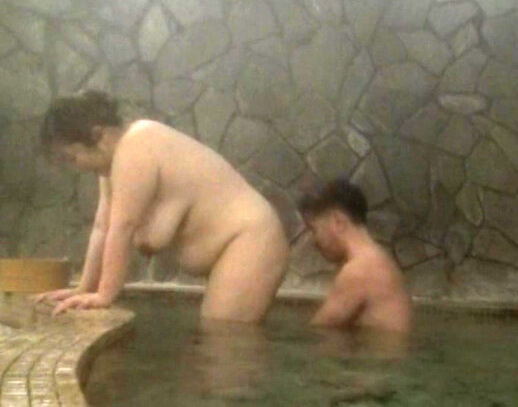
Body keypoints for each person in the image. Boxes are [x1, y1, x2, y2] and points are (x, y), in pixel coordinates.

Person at [34, 90, 289, 322]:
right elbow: (103, 227)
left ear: (98, 136)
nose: (76, 167)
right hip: (238, 244)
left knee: (223, 336)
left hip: (251, 238)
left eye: (72, 157)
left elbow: (123, 227)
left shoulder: (136, 145)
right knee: (215, 333)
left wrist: (105, 294)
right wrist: (84, 288)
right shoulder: (111, 165)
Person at [298, 179, 413, 334]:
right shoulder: (378, 260)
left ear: (337, 221)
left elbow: (319, 329)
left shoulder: (360, 270)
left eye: (313, 229)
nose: (314, 240)